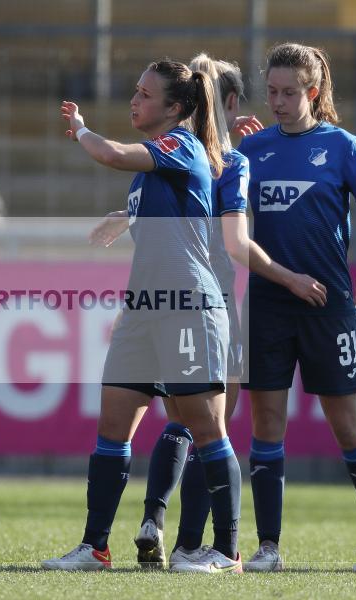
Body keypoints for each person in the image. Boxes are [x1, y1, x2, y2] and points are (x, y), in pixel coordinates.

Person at [88, 54, 325, 574]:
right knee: (194, 422)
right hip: (173, 303)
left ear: (228, 101)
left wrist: (285, 277)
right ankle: (169, 533)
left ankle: (185, 538)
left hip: (208, 303)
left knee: (198, 424)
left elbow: (229, 238)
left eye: (211, 91)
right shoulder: (191, 154)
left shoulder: (222, 160)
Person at [42, 59, 242, 573]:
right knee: (112, 425)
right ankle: (95, 547)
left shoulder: (180, 145)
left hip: (186, 306)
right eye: (135, 91)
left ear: (175, 108)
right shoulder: (158, 164)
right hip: (145, 308)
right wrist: (123, 217)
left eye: (146, 94)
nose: (135, 100)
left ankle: (226, 552)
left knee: (205, 427)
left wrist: (82, 128)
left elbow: (110, 154)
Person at [236, 42, 356, 573]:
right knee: (266, 422)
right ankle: (269, 548)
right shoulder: (255, 151)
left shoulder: (343, 146)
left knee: (346, 423)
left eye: (288, 93)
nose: (278, 102)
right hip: (268, 302)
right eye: (272, 92)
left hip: (328, 303)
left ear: (313, 91)